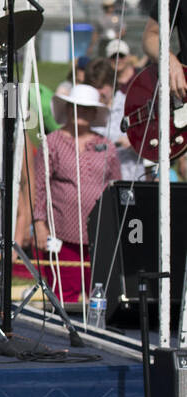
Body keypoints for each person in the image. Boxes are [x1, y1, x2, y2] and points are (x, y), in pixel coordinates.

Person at [22, 84, 121, 305]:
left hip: (98, 233)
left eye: (87, 109)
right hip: (61, 231)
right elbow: (39, 185)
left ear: (95, 113)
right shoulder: (53, 141)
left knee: (98, 292)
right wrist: (39, 223)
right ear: (67, 110)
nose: (81, 113)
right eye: (76, 108)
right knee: (62, 293)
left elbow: (115, 186)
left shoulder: (106, 146)